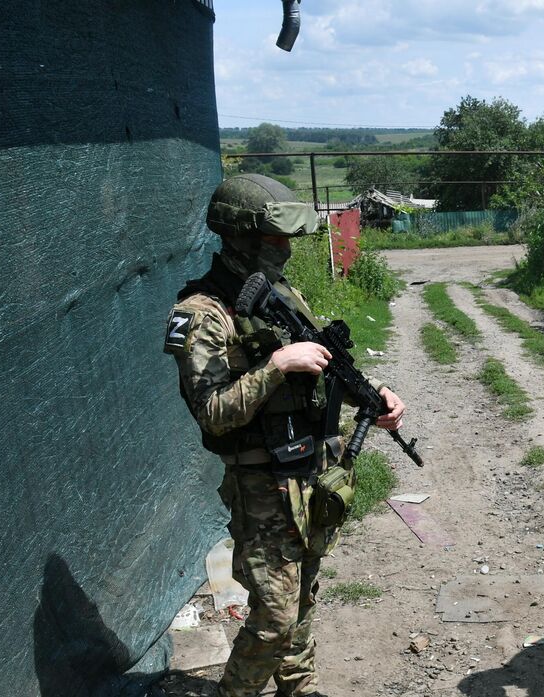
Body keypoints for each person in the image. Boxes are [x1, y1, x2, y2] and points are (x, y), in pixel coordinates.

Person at [164, 174, 405, 697]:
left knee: (301, 598)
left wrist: (375, 393)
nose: (286, 250)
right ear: (239, 236)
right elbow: (212, 412)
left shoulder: (279, 294)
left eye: (289, 239)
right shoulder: (201, 313)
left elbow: (323, 363)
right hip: (261, 484)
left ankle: (299, 686)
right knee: (273, 618)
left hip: (309, 469)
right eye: (276, 240)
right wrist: (276, 365)